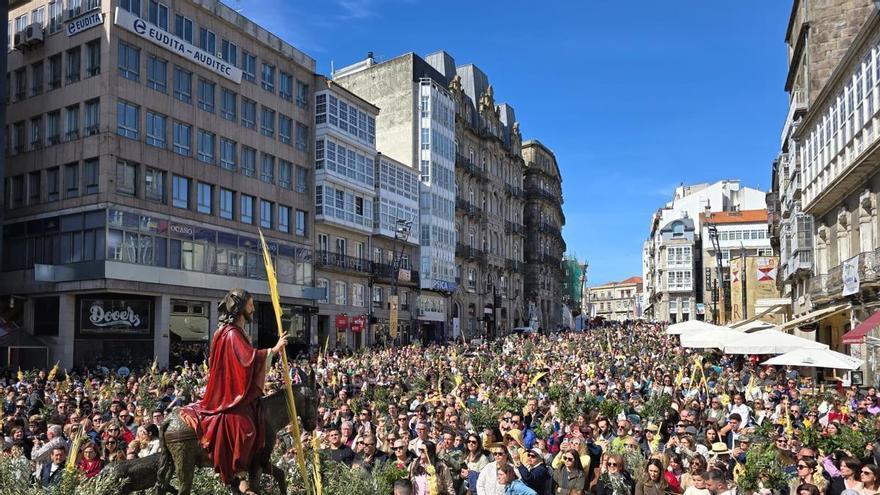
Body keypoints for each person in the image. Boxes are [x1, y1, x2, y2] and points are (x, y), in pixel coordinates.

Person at [180, 288, 288, 494]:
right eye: (250, 304)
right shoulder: (231, 334)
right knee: (245, 426)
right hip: (228, 396)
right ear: (240, 307)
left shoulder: (235, 332)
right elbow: (248, 361)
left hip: (234, 391)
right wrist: (274, 350)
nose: (253, 308)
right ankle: (237, 475)